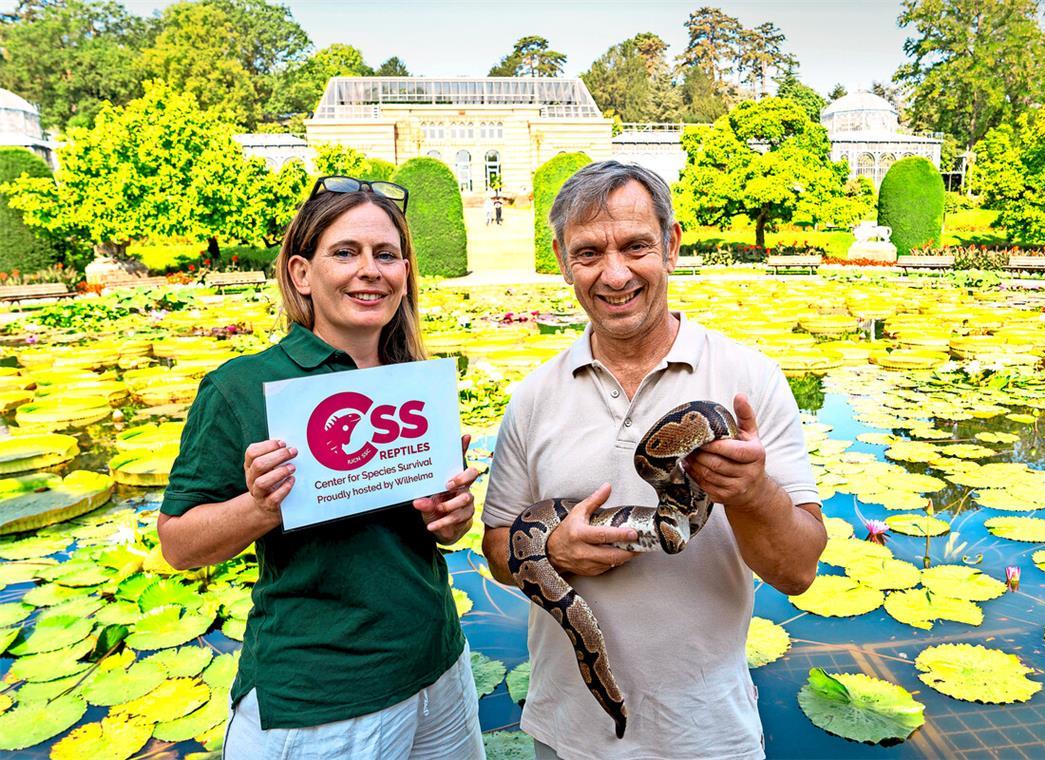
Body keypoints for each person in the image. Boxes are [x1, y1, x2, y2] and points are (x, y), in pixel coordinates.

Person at [481, 161, 826, 760]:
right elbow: (496, 549)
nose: (615, 274)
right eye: (589, 253)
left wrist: (751, 491)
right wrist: (550, 550)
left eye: (635, 246)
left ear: (670, 245)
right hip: (568, 736)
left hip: (708, 736)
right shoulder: (534, 395)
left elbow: (797, 572)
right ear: (562, 260)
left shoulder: (749, 378)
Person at [158, 175, 486, 759]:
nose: (370, 270)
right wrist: (259, 506)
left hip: (440, 666)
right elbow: (180, 545)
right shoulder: (242, 386)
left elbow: (431, 535)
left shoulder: (416, 382)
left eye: (387, 255)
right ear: (301, 273)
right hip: (323, 699)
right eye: (345, 252)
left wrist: (450, 515)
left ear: (405, 273)